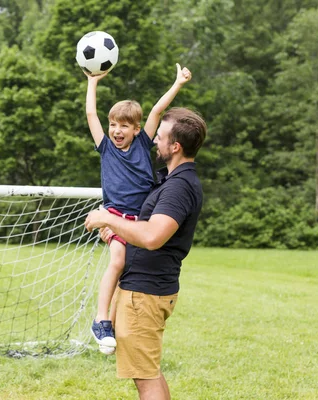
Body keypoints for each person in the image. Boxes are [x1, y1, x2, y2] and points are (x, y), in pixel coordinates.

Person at [85, 107, 207, 399]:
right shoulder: (170, 180)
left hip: (145, 294)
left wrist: (108, 218)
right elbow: (143, 228)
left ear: (175, 146)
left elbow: (152, 236)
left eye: (160, 137)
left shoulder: (178, 188)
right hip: (144, 290)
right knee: (148, 371)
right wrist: (117, 232)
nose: (155, 141)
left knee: (145, 376)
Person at [84, 64, 192, 354]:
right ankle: (100, 320)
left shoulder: (144, 145)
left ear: (136, 129)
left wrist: (177, 83)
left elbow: (157, 110)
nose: (117, 131)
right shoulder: (106, 148)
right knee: (118, 261)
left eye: (124, 126)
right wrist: (92, 82)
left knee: (130, 273)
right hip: (117, 216)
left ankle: (117, 328)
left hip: (143, 217)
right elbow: (91, 114)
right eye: (114, 125)